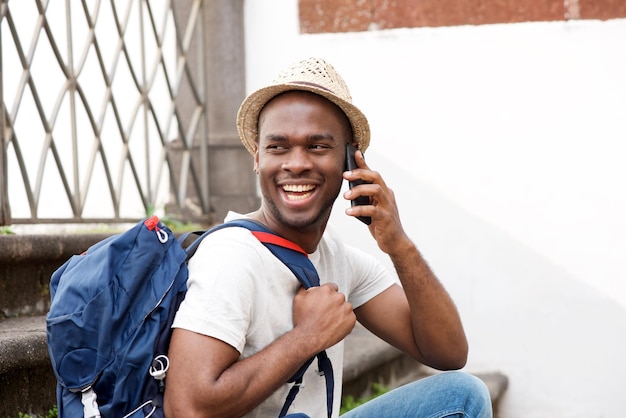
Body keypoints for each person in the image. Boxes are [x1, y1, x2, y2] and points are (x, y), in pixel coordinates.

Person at [164, 57, 492, 417]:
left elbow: (447, 353)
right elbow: (186, 409)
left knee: (462, 396)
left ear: (350, 161)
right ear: (257, 157)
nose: (297, 163)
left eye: (317, 146)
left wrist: (398, 243)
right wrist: (307, 336)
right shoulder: (232, 258)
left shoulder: (337, 257)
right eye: (278, 147)